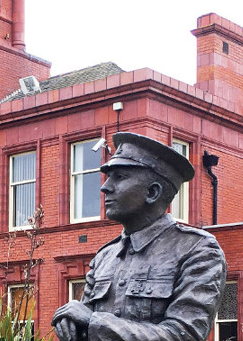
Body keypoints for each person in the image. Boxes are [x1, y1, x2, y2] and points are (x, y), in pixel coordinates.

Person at [51, 132, 226, 341]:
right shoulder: (105, 257)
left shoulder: (198, 250)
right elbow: (85, 325)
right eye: (109, 177)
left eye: (120, 177)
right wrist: (71, 325)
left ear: (152, 192)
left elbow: (184, 334)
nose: (105, 187)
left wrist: (93, 322)